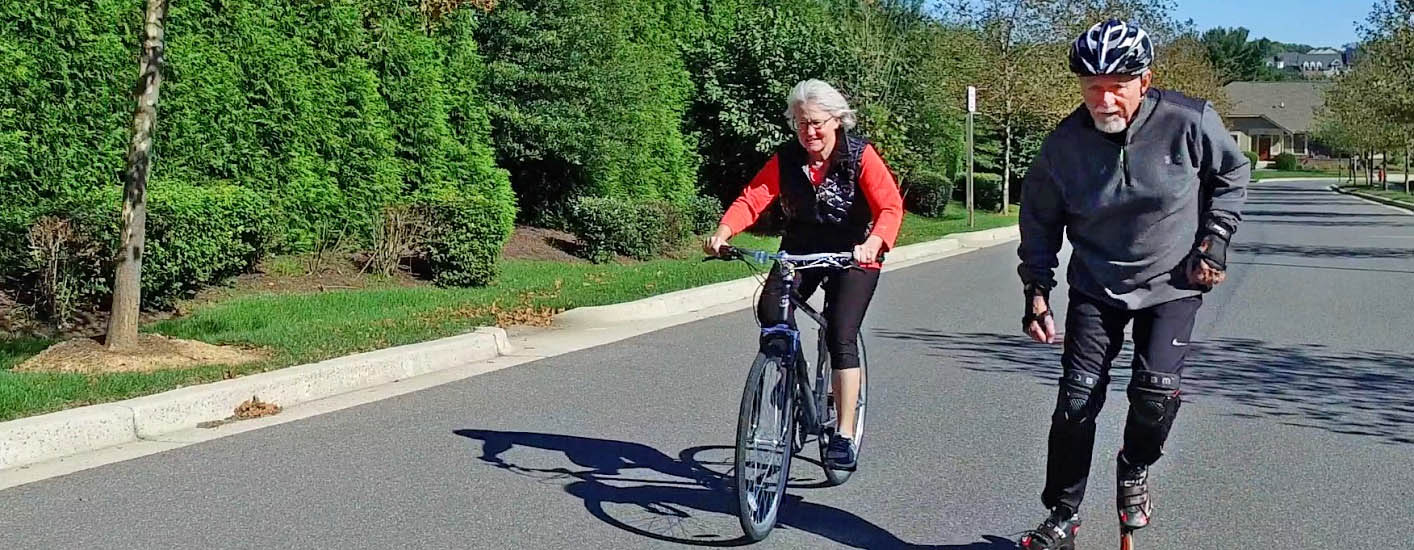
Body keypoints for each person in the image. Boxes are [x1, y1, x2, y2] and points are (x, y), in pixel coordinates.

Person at [1014, 19, 1248, 550]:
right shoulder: (1064, 145)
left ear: (1145, 80)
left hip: (1171, 281)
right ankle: (1063, 514)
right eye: (1092, 86)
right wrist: (1036, 289)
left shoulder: (1189, 121)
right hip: (1097, 283)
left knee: (1153, 399)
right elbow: (1039, 221)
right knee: (1076, 401)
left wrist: (1214, 237)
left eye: (1116, 85)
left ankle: (1135, 465)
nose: (1104, 99)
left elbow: (1233, 174)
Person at [703, 79, 904, 470]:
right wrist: (724, 232)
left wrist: (875, 243)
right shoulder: (787, 159)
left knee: (839, 332)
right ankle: (785, 373)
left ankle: (843, 433)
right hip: (801, 247)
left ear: (836, 120)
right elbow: (753, 197)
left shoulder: (859, 155)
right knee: (771, 310)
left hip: (854, 251)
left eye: (816, 122)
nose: (808, 131)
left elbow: (889, 208)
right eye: (800, 123)